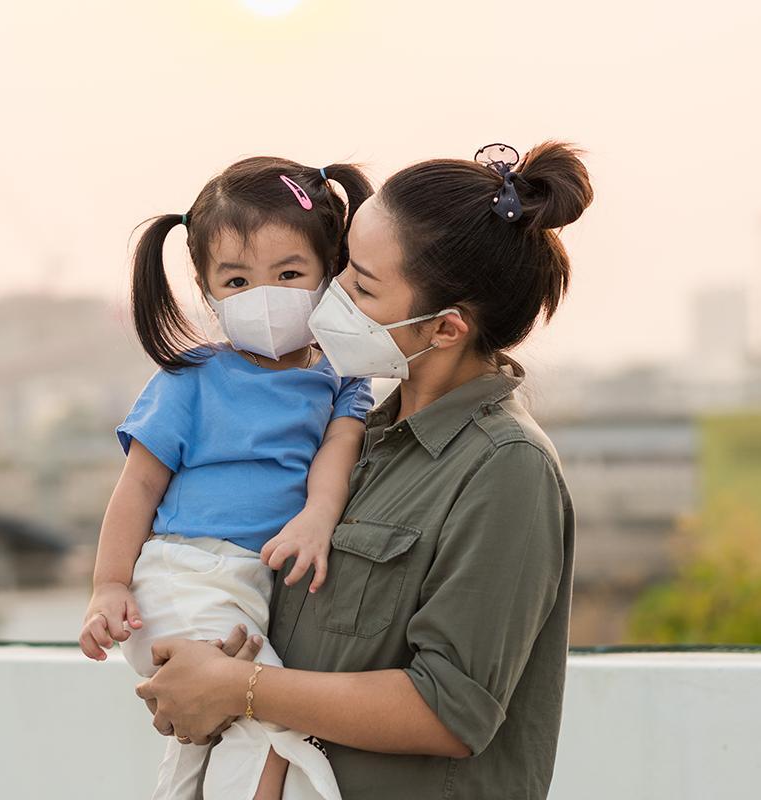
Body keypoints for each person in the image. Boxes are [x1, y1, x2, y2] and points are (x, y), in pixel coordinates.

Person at [135, 142, 593, 800]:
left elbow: (451, 711)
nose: (331, 294)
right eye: (344, 264)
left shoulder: (504, 470)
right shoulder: (361, 435)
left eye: (362, 284)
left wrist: (243, 688)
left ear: (444, 329)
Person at [78, 156, 375, 799]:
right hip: (185, 575)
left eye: (289, 274)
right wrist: (107, 585)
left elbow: (338, 450)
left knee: (207, 733)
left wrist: (318, 517)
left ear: (332, 270)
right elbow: (138, 487)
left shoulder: (342, 378)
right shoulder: (189, 377)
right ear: (207, 288)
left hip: (252, 587)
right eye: (237, 280)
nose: (263, 297)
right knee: (268, 722)